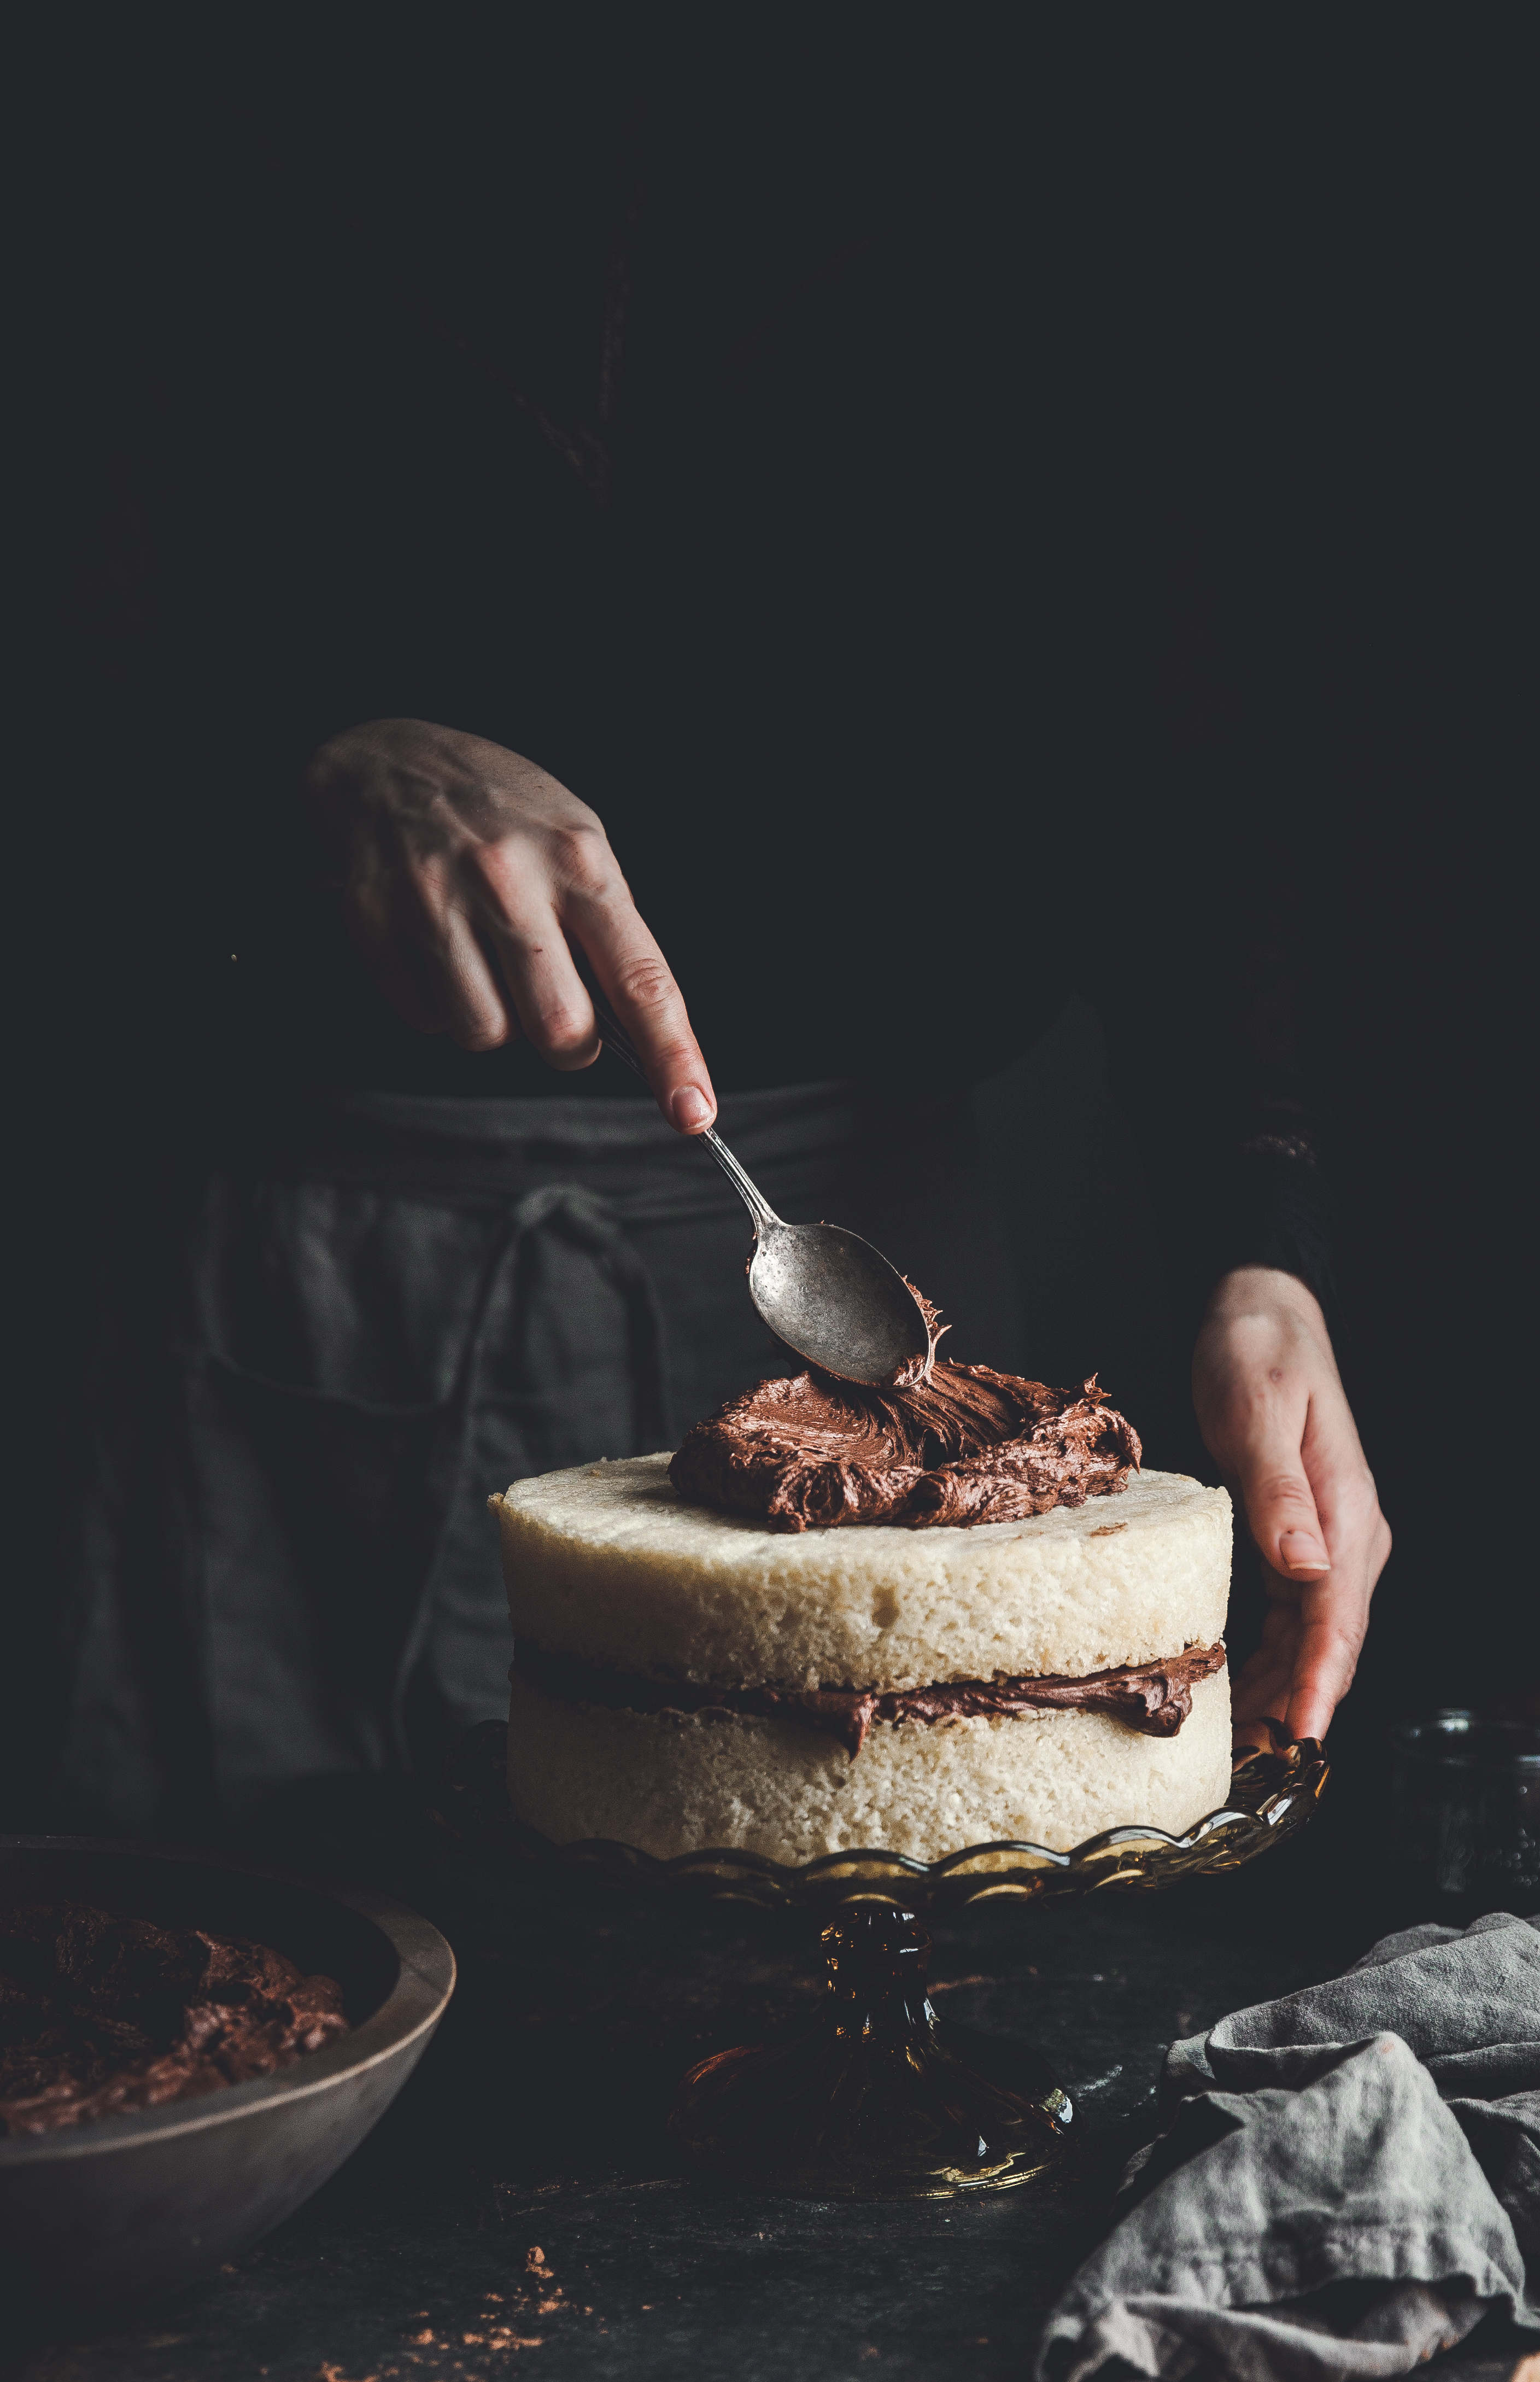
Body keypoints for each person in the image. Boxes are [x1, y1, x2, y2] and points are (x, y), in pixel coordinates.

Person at [37, 181, 1389, 1832]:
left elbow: (1185, 791)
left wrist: (1267, 1245)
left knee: (872, 1907)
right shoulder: (203, 200)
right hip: (312, 1275)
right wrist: (289, 762)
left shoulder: (1042, 209)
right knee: (293, 1920)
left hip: (868, 1221)